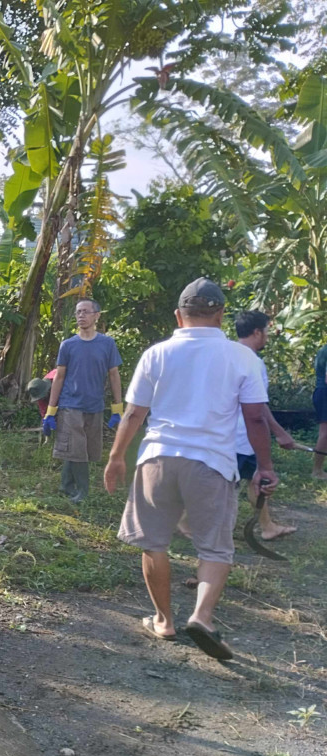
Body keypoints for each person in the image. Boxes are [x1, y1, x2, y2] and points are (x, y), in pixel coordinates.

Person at [104, 278, 276, 662]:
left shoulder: (157, 353)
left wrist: (116, 456)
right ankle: (201, 616)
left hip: (157, 457)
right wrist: (264, 466)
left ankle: (163, 620)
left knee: (154, 542)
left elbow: (134, 412)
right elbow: (255, 420)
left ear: (178, 315)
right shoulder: (242, 357)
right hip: (212, 462)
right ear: (220, 315)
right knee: (215, 547)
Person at [42, 299, 123, 502]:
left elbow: (114, 375)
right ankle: (82, 492)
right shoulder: (68, 345)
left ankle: (65, 485)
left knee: (85, 449)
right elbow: (59, 377)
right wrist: (50, 412)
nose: (81, 316)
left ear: (97, 315)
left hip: (94, 405)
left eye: (86, 312)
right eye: (78, 312)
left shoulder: (107, 344)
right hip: (71, 404)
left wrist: (117, 408)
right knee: (77, 447)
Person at [233, 309, 296, 539]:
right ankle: (184, 521)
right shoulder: (253, 362)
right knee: (250, 480)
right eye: (267, 331)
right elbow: (257, 409)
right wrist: (280, 433)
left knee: (251, 481)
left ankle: (267, 526)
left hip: (229, 433)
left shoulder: (227, 355)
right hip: (243, 435)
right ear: (257, 332)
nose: (268, 336)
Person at [314, 342, 327, 480]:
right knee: (325, 434)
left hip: (321, 392)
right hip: (325, 393)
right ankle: (317, 471)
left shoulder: (323, 349)